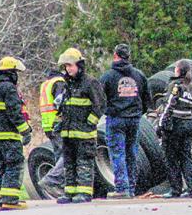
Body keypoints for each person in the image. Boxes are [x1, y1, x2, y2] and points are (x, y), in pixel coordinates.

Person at [156, 59, 192, 199]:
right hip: (188, 125)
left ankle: (176, 190)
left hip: (174, 126)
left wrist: (160, 125)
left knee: (171, 158)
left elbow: (169, 105)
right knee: (186, 157)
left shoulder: (175, 86)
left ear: (178, 71)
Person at [55, 48, 105, 205]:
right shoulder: (67, 85)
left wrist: (89, 122)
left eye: (70, 65)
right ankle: (69, 192)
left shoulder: (90, 83)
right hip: (68, 133)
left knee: (84, 163)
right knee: (69, 163)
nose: (68, 69)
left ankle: (84, 193)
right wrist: (59, 124)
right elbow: (64, 107)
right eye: (66, 66)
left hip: (84, 134)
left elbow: (100, 105)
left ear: (79, 65)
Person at [100, 43, 148, 199]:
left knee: (117, 153)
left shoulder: (108, 77)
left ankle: (122, 188)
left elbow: (100, 100)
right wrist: (137, 112)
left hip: (116, 119)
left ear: (115, 56)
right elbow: (146, 99)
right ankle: (131, 187)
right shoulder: (139, 75)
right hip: (134, 119)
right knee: (131, 153)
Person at [0, 56, 31, 210]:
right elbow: (14, 112)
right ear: (11, 73)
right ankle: (10, 200)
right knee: (14, 164)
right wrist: (25, 131)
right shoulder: (9, 88)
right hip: (9, 136)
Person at [39, 68, 66, 160]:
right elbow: (60, 102)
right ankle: (61, 174)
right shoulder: (59, 82)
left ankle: (58, 173)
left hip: (47, 125)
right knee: (64, 155)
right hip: (57, 122)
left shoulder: (45, 84)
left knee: (58, 153)